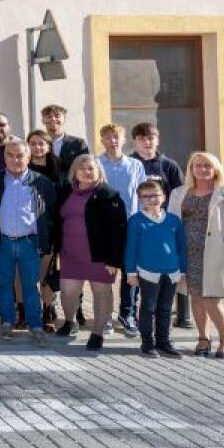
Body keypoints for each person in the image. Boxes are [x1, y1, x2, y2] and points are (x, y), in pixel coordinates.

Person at [167, 152, 224, 360]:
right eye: (198, 165)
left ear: (215, 169)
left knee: (211, 299)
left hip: (215, 254)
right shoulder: (179, 193)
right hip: (187, 253)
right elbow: (171, 222)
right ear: (191, 169)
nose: (202, 169)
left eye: (207, 166)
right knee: (195, 296)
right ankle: (203, 338)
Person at [51, 154, 127, 352]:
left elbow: (118, 229)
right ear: (74, 172)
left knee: (101, 294)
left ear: (99, 172)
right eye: (82, 168)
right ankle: (70, 321)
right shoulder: (65, 191)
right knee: (68, 292)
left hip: (100, 257)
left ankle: (97, 333)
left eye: (91, 168)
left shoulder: (108, 194)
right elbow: (57, 221)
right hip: (70, 254)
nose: (87, 172)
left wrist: (114, 259)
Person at [0, 139, 57, 346]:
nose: (15, 159)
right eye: (10, 155)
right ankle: (7, 322)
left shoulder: (42, 182)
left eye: (20, 155)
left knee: (30, 285)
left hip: (30, 242)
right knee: (3, 284)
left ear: (28, 157)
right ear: (4, 157)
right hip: (3, 243)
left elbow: (51, 214)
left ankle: (35, 325)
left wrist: (48, 242)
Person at [130, 121, 191, 329]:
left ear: (158, 140)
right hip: (139, 225)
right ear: (135, 142)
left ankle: (183, 315)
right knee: (139, 271)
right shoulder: (130, 163)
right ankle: (131, 314)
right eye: (142, 138)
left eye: (151, 138)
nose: (147, 142)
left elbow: (179, 194)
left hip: (165, 225)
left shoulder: (169, 165)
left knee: (173, 270)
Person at [125, 180, 187, 358]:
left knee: (166, 308)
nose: (152, 199)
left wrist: (182, 271)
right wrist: (131, 272)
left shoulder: (174, 220)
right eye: (146, 196)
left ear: (164, 197)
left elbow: (181, 247)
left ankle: (164, 342)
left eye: (155, 195)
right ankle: (147, 343)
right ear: (140, 199)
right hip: (147, 272)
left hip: (171, 272)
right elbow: (131, 248)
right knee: (148, 307)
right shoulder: (136, 221)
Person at [98, 123, 147, 337]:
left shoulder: (135, 165)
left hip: (131, 225)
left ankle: (127, 314)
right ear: (102, 140)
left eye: (116, 137)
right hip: (105, 228)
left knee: (131, 274)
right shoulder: (96, 164)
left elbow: (143, 195)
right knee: (105, 275)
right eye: (108, 137)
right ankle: (105, 316)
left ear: (124, 139)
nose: (113, 141)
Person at [27, 130, 62, 331]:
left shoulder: (59, 169)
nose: (38, 147)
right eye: (33, 143)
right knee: (27, 274)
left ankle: (47, 311)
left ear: (48, 146)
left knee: (46, 274)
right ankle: (27, 311)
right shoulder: (23, 167)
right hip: (28, 228)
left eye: (42, 143)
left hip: (52, 229)